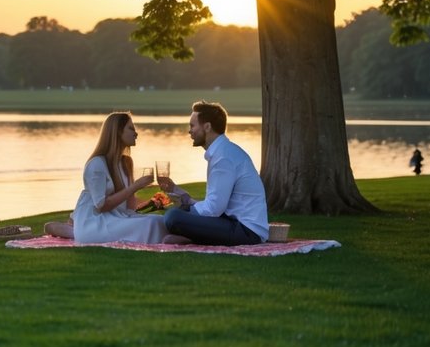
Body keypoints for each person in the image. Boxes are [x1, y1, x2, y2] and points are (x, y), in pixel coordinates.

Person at [45, 111, 168, 244]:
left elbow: (130, 207)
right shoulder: (97, 164)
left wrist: (153, 201)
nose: (136, 133)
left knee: (159, 220)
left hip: (118, 217)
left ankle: (69, 230)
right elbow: (102, 206)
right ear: (118, 132)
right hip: (96, 222)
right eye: (131, 129)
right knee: (150, 224)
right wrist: (135, 186)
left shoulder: (126, 162)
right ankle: (74, 231)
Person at [159, 101, 269, 246]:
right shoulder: (223, 151)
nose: (189, 131)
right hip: (233, 222)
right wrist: (178, 192)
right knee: (178, 213)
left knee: (173, 217)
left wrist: (187, 208)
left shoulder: (223, 158)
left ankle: (191, 239)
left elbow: (213, 209)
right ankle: (191, 239)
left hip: (246, 231)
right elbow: (216, 205)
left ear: (207, 127)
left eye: (192, 126)